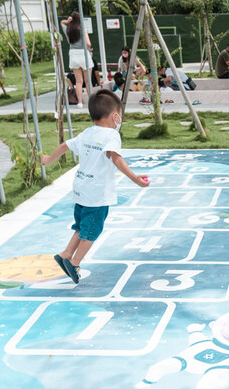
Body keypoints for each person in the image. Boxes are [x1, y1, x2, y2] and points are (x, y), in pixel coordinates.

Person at [40, 90, 149, 284]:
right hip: (97, 194)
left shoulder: (87, 132)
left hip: (81, 189)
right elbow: (116, 158)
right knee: (92, 231)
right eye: (120, 116)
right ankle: (74, 263)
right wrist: (134, 178)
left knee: (81, 226)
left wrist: (49, 159)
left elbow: (65, 145)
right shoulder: (112, 136)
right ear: (115, 116)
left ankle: (65, 253)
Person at [61, 11, 92, 108]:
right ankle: (91, 101)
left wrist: (67, 21)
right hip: (83, 54)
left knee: (78, 81)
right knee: (88, 81)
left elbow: (62, 23)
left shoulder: (68, 30)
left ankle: (80, 102)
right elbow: (88, 44)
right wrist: (89, 49)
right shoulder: (82, 30)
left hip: (73, 55)